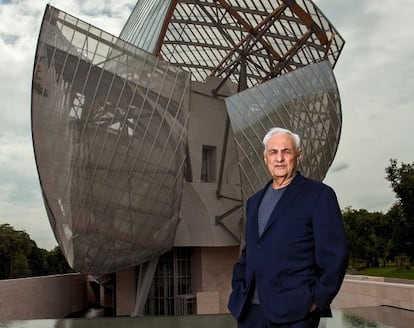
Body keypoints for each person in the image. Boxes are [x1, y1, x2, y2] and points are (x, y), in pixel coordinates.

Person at [228, 127, 349, 328]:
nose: (279, 158)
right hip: (251, 313)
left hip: (295, 313)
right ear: (265, 157)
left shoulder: (319, 195)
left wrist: (317, 299)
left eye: (286, 151)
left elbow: (336, 254)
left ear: (298, 156)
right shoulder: (254, 201)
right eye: (273, 152)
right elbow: (250, 250)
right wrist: (239, 283)